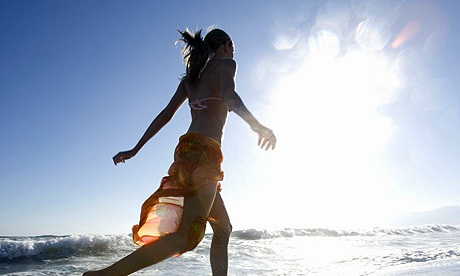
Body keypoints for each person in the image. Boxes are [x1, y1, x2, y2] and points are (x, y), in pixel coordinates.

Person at [83, 28, 276, 276]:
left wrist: (135, 149)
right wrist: (257, 125)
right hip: (206, 153)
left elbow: (165, 115)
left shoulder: (191, 79)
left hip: (186, 154)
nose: (232, 53)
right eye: (232, 48)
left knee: (223, 228)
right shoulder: (226, 64)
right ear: (226, 46)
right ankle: (106, 275)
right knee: (186, 236)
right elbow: (229, 96)